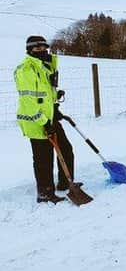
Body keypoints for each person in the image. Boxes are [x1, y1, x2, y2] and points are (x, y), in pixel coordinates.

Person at [14, 35, 78, 203]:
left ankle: (66, 183)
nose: (42, 50)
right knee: (43, 158)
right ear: (29, 50)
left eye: (44, 47)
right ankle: (45, 193)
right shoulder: (26, 70)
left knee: (66, 150)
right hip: (35, 121)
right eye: (37, 48)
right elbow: (29, 102)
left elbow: (44, 95)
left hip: (49, 118)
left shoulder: (45, 67)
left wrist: (55, 102)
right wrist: (44, 122)